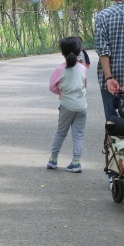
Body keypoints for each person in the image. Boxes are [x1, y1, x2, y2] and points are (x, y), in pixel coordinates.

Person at [47, 37, 88, 173]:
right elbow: (84, 85)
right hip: (82, 106)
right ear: (79, 51)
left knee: (61, 132)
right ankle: (76, 162)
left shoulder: (60, 69)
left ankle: (53, 159)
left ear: (62, 53)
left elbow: (52, 86)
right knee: (78, 135)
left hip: (67, 105)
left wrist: (62, 93)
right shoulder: (82, 68)